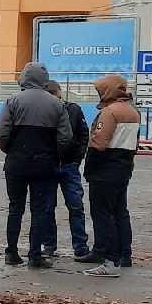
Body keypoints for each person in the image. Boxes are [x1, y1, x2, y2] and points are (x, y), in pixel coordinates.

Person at [0, 61, 73, 269]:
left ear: (24, 78)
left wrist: (10, 149)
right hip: (44, 165)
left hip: (16, 163)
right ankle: (35, 255)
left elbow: (0, 131)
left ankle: (11, 252)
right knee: (39, 210)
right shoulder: (56, 104)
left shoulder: (13, 101)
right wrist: (52, 152)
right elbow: (66, 137)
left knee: (15, 208)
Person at [76, 73, 141, 276]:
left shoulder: (109, 113)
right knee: (120, 211)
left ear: (108, 90)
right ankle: (124, 254)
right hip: (124, 167)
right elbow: (136, 144)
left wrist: (89, 169)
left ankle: (109, 260)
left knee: (102, 214)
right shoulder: (133, 112)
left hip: (105, 170)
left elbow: (99, 143)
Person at [41, 80, 90, 259]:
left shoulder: (74, 110)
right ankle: (50, 245)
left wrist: (77, 159)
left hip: (67, 165)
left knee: (75, 207)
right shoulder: (46, 111)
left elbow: (84, 135)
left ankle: (79, 246)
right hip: (52, 165)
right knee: (49, 207)